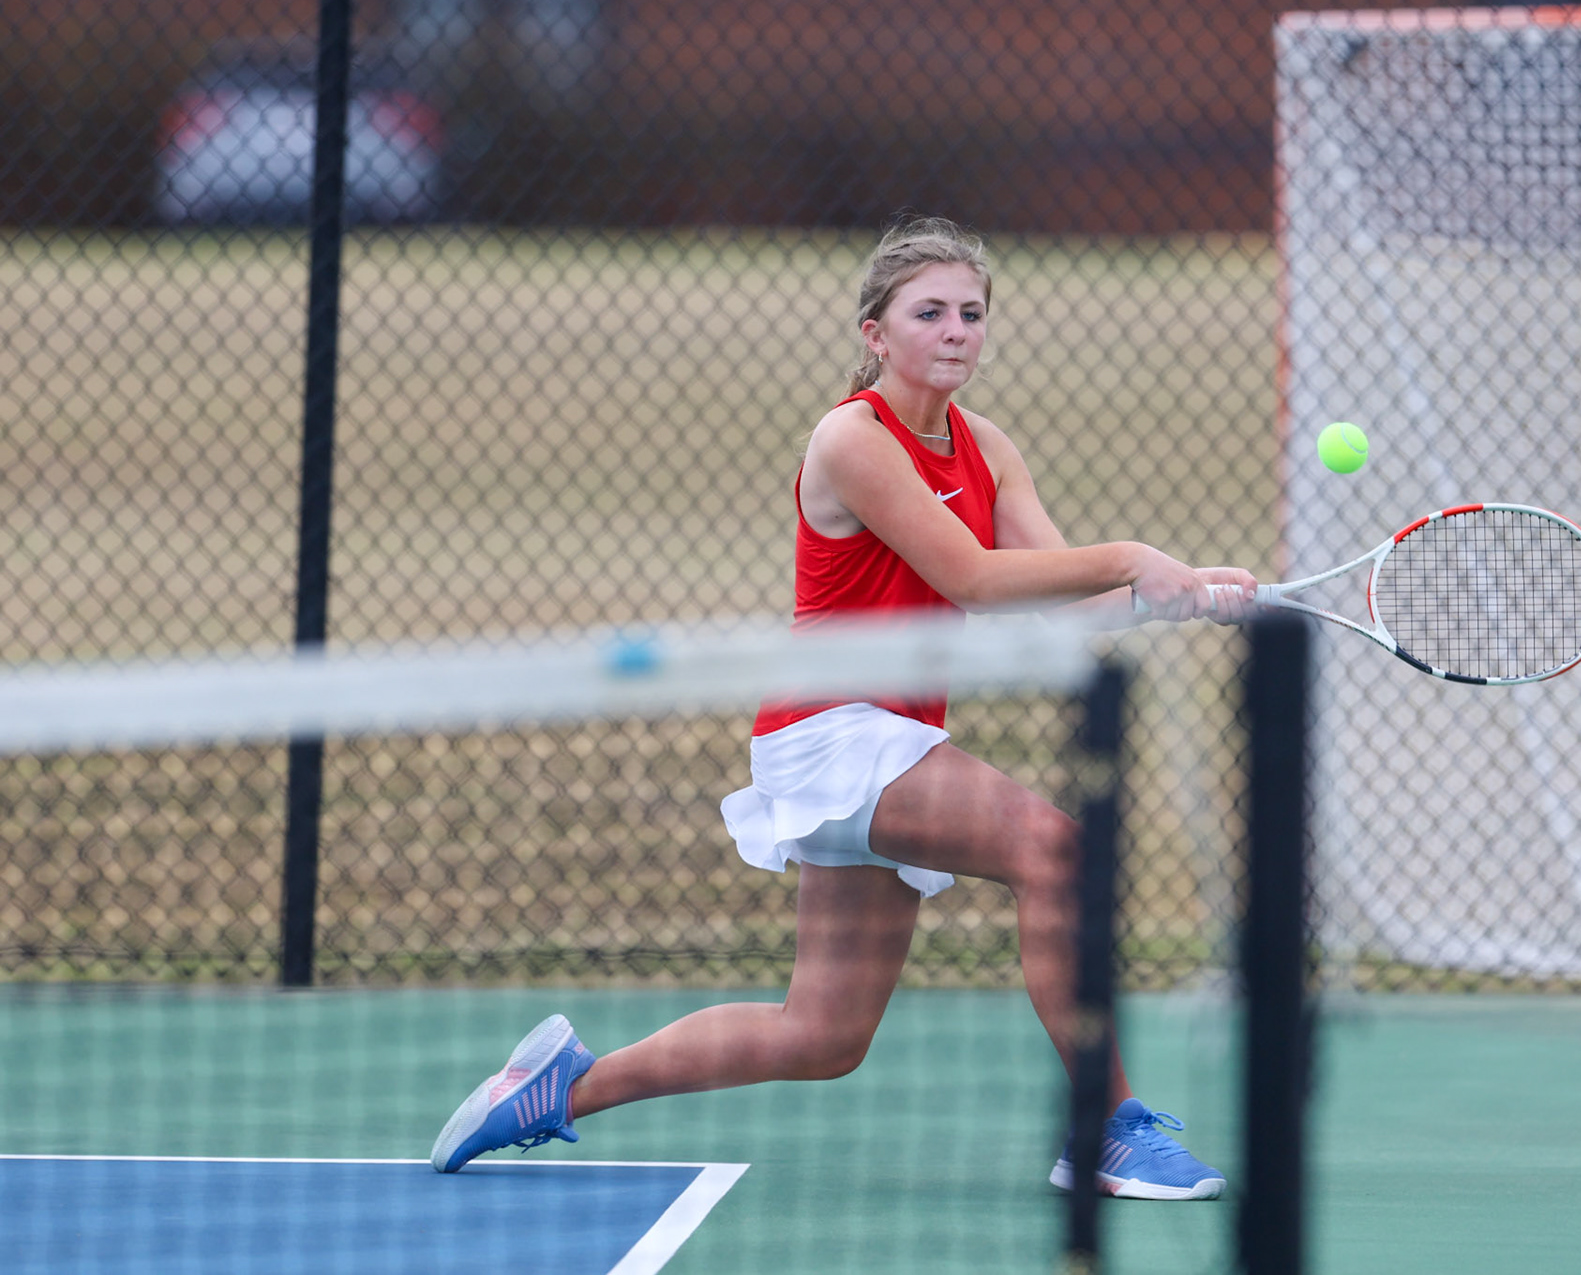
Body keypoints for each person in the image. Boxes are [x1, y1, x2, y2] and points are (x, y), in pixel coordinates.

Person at [431, 216, 1256, 1200]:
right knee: (1057, 852)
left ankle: (559, 1088)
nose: (956, 331)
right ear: (877, 332)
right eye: (930, 313)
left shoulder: (987, 447)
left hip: (894, 741)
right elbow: (975, 579)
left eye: (972, 314)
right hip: (829, 734)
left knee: (820, 1036)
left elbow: (1055, 610)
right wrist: (1133, 557)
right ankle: (1106, 1129)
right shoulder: (852, 438)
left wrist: (1175, 596)